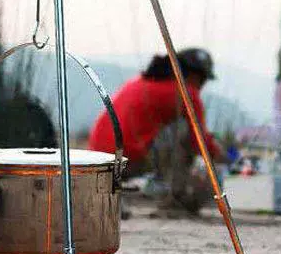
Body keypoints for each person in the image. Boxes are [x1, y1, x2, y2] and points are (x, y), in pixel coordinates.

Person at [88, 48, 224, 214]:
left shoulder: (137, 82)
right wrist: (220, 155)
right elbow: (200, 142)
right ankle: (174, 197)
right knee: (181, 127)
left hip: (99, 159)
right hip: (127, 159)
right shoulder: (187, 93)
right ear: (195, 76)